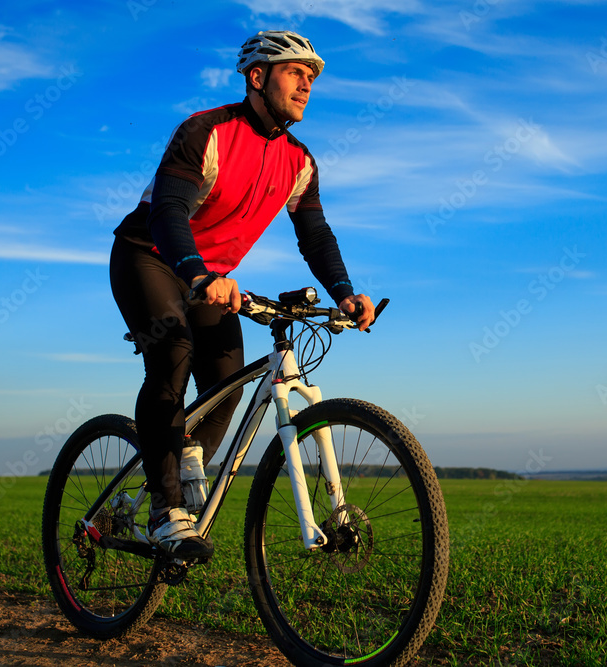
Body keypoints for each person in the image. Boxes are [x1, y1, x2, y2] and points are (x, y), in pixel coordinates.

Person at [110, 30, 374, 560]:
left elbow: (315, 234)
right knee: (173, 357)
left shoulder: (299, 161)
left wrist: (344, 293)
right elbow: (168, 213)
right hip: (151, 257)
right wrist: (200, 275)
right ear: (257, 77)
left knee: (227, 384)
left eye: (312, 77)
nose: (307, 85)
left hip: (211, 279)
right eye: (295, 72)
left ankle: (178, 469)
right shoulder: (205, 131)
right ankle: (167, 509)